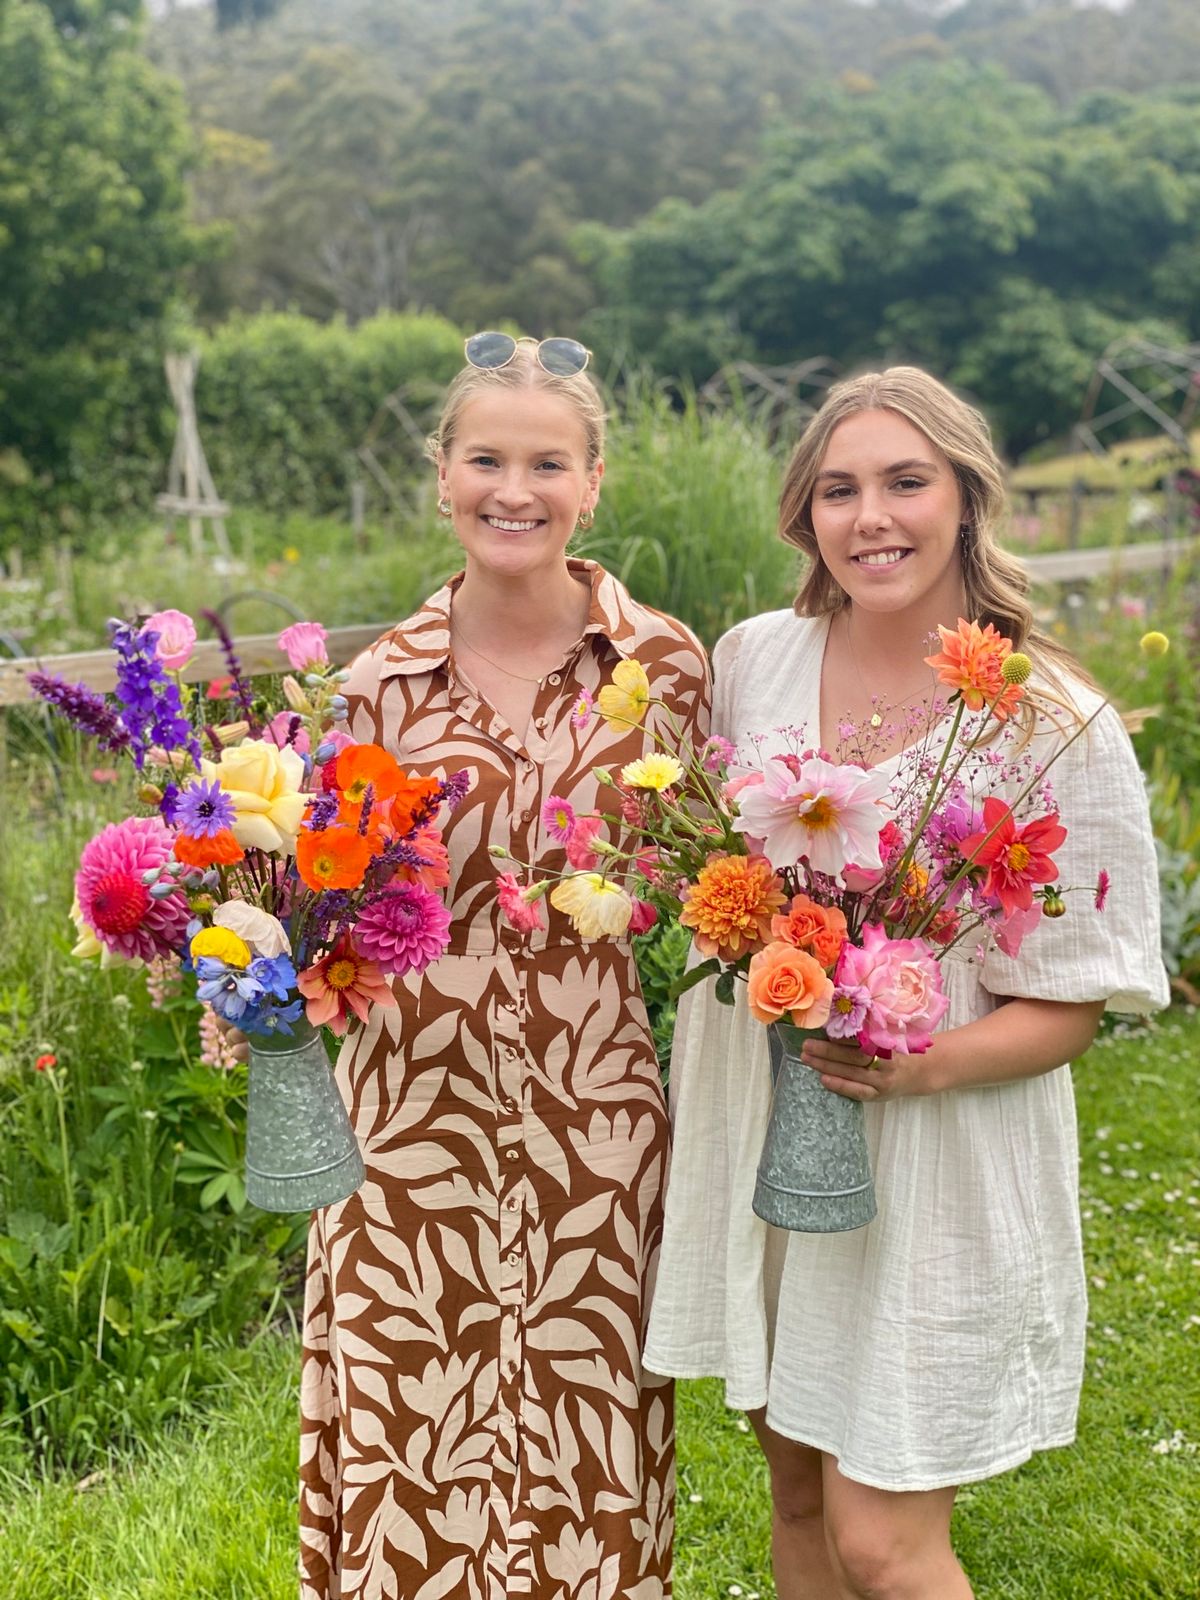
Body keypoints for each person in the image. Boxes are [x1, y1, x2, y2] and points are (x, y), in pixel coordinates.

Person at [643, 366, 1168, 1600]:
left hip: (935, 1153)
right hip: (772, 1123)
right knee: (796, 1491)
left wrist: (913, 1060)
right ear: (805, 515)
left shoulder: (1051, 724)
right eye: (839, 488)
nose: (870, 515)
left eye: (904, 481)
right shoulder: (754, 660)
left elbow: (1072, 1005)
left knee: (885, 1540)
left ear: (968, 498)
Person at [273, 333, 710, 1599]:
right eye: (484, 459)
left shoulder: (664, 671)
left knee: (594, 1427)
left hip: (595, 1114)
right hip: (410, 1112)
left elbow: (715, 869)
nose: (512, 490)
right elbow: (319, 907)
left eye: (545, 463)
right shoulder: (375, 689)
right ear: (442, 475)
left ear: (593, 481)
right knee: (413, 1426)